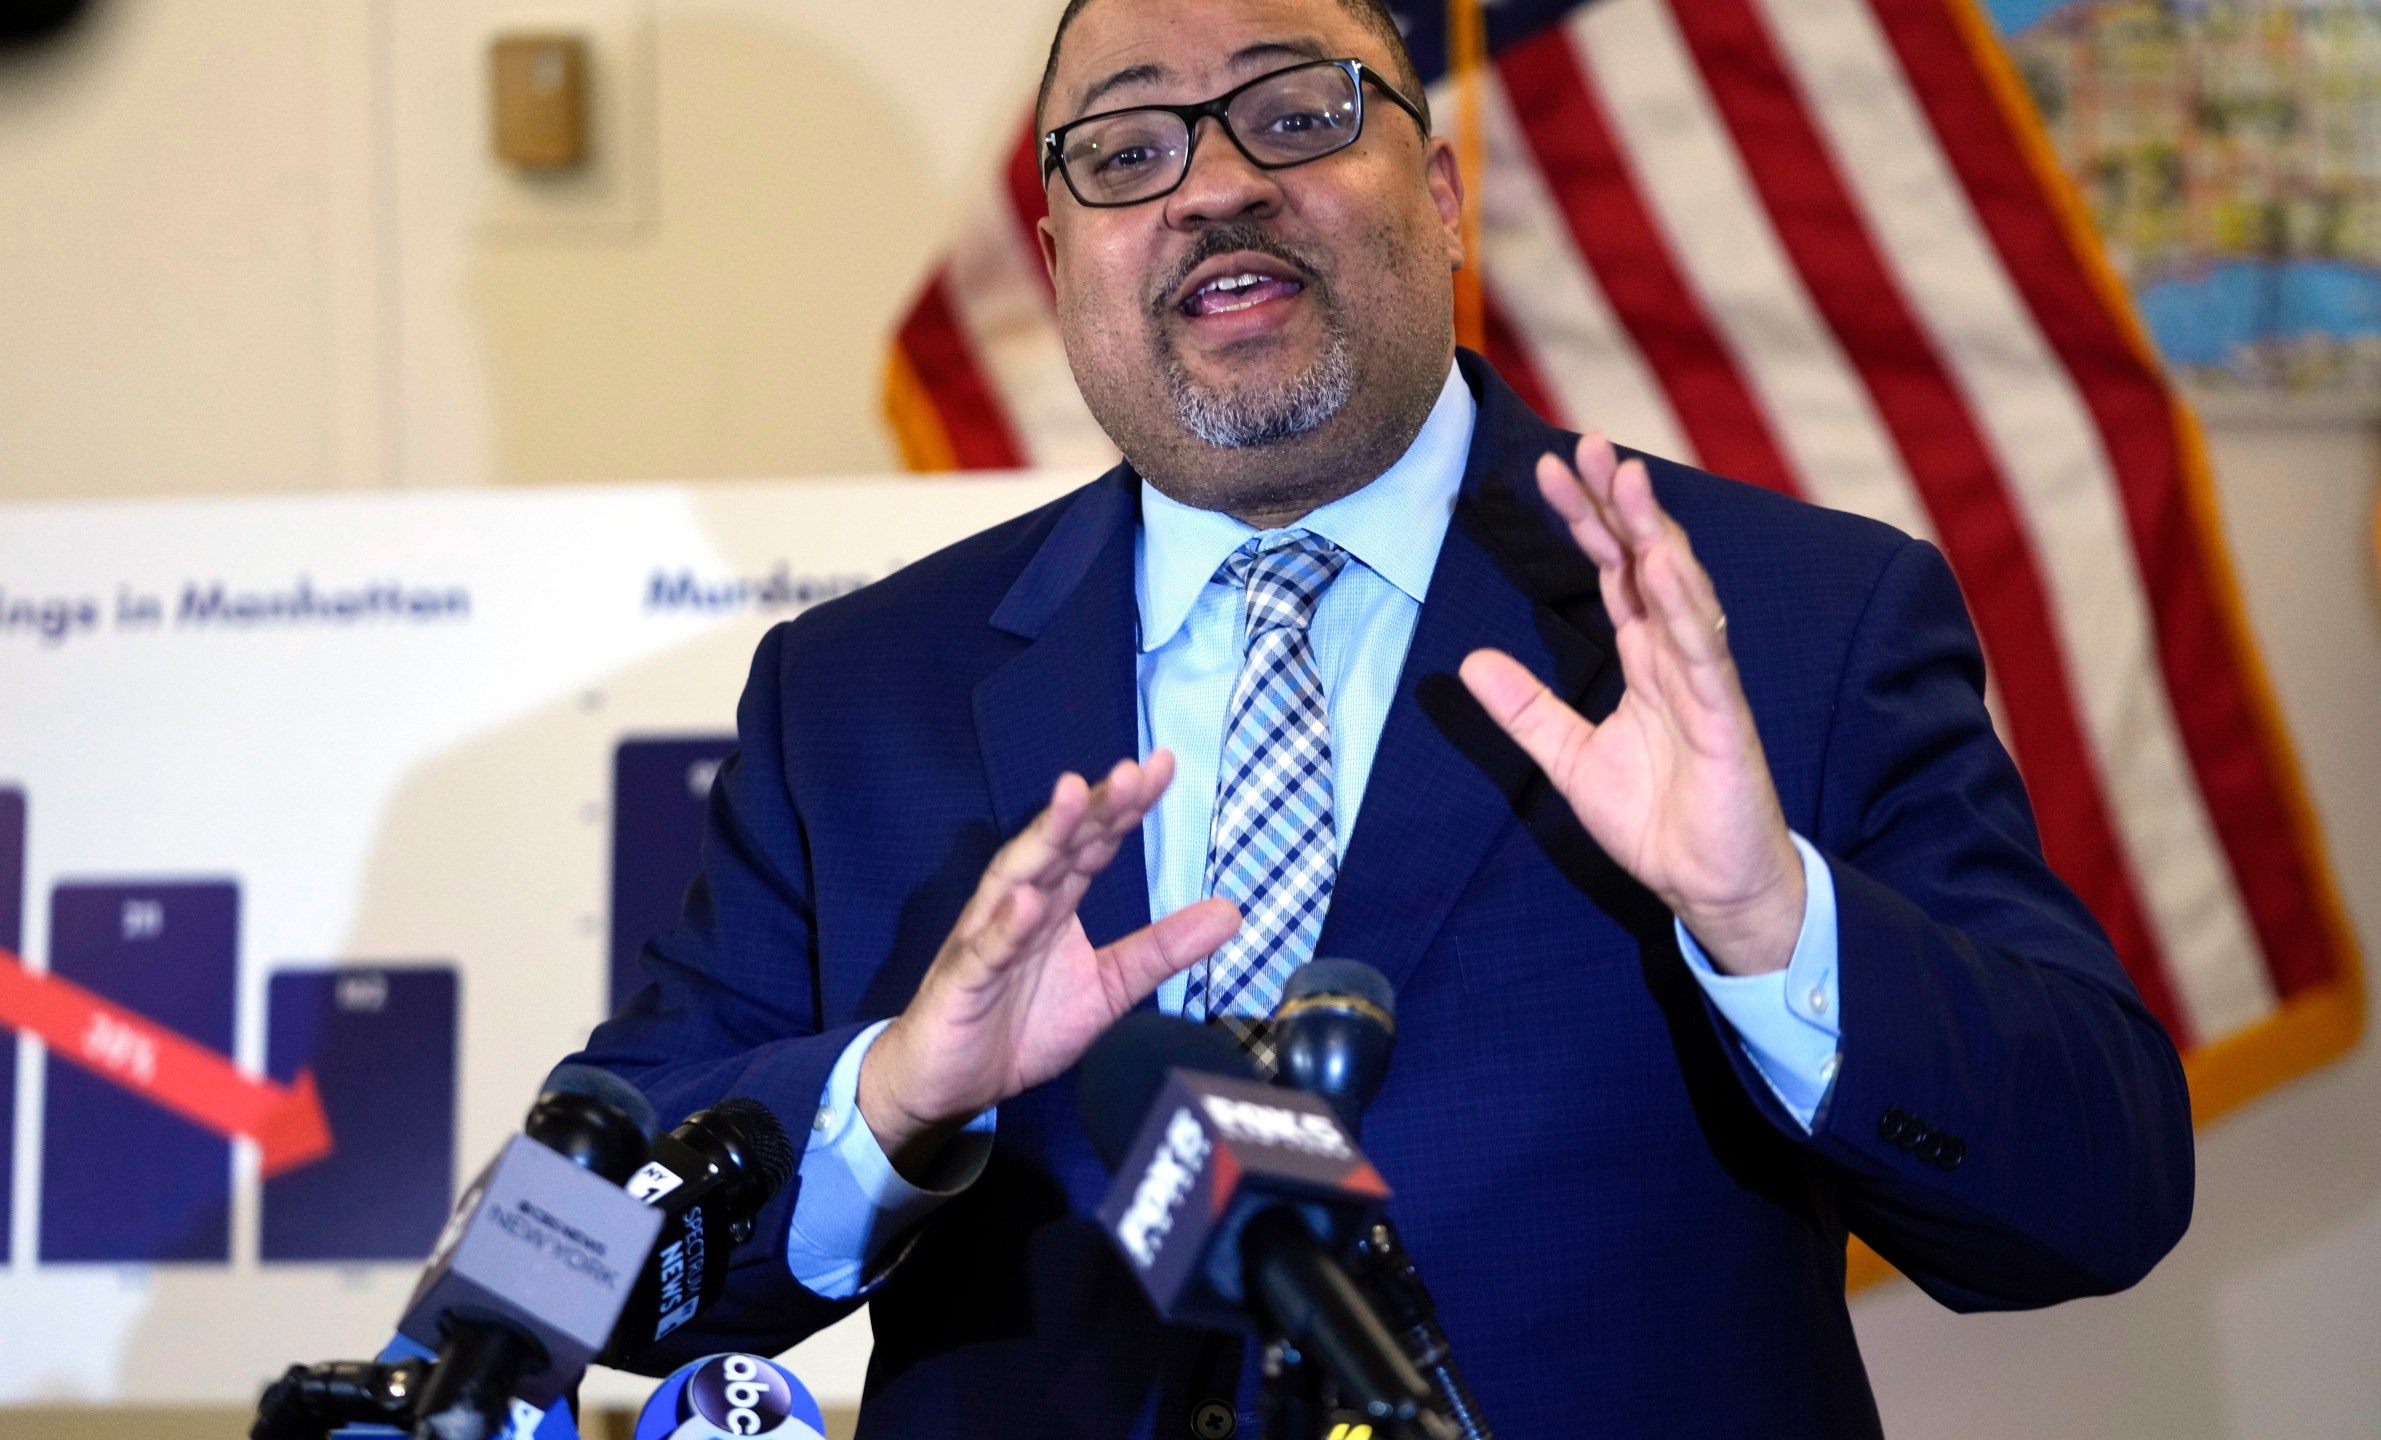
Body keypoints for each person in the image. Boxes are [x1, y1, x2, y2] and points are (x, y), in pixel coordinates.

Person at [567, 0, 2194, 1432]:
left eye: (1295, 112)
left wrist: (1772, 923)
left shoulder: (1790, 620)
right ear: (1061, 261)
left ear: (1441, 192)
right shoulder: (854, 694)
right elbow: (573, 1259)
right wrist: (893, 1101)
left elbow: (2099, 1197)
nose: (1214, 183)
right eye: (1126, 149)